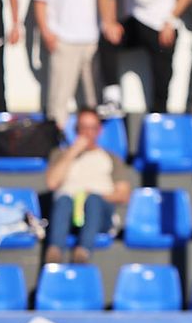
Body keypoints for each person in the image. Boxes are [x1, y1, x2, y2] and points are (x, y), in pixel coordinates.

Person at [43, 106, 134, 264]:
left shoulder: (111, 158)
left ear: (99, 131)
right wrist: (72, 152)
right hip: (69, 212)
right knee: (63, 199)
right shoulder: (60, 154)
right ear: (76, 129)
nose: (87, 133)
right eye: (83, 127)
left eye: (92, 128)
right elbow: (52, 183)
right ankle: (54, 253)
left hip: (98, 212)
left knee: (93, 200)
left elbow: (124, 194)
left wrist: (95, 194)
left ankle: (82, 253)